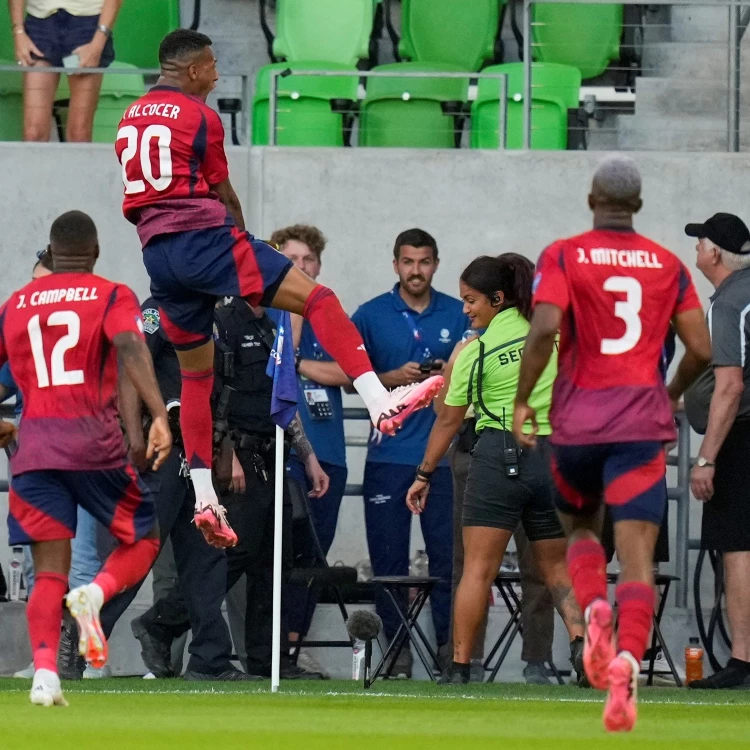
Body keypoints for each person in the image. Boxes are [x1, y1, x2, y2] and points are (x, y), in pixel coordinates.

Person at [115, 29, 442, 550]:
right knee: (317, 298)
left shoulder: (129, 116)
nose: (219, 73)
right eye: (214, 64)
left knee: (197, 378)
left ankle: (204, 497)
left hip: (158, 255)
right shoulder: (200, 116)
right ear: (195, 69)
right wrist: (245, 246)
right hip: (204, 239)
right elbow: (221, 192)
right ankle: (382, 402)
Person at [512, 156, 711, 732]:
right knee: (640, 559)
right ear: (639, 206)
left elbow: (546, 329)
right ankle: (626, 659)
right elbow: (700, 348)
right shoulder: (668, 264)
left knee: (578, 530)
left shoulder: (565, 254)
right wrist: (667, 394)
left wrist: (526, 400)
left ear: (591, 198)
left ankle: (595, 609)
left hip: (577, 425)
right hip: (641, 429)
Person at [0, 210, 172, 707]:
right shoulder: (112, 294)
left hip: (33, 453)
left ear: (50, 257)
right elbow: (129, 345)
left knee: (49, 570)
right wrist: (158, 414)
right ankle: (96, 594)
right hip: (93, 446)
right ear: (94, 253)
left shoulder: (16, 305)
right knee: (145, 537)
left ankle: (45, 675)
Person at [406, 254, 585, 686]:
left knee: (477, 570)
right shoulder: (557, 338)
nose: (465, 309)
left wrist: (424, 473)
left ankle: (461, 666)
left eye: (471, 300)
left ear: (497, 299)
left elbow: (448, 419)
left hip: (498, 455)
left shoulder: (476, 349)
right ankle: (583, 642)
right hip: (552, 457)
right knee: (558, 568)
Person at [133, 298, 329, 680]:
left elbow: (280, 401)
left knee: (273, 563)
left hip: (272, 458)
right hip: (235, 454)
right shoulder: (221, 321)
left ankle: (268, 661)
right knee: (229, 554)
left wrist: (308, 456)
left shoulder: (271, 328)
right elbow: (217, 396)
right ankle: (161, 622)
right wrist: (228, 453)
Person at [56, 297, 249, 682]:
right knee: (138, 552)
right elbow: (130, 369)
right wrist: (134, 436)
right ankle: (79, 634)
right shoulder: (158, 310)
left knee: (207, 560)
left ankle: (210, 659)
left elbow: (218, 395)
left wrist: (224, 448)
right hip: (160, 452)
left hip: (199, 457)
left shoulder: (216, 319)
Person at [352, 228, 468, 677]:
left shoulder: (460, 314)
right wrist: (391, 376)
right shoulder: (370, 314)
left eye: (423, 262)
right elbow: (351, 376)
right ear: (395, 264)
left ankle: (448, 653)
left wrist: (444, 375)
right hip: (387, 458)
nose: (415, 270)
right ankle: (395, 651)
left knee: (446, 559)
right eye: (407, 262)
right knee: (388, 562)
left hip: (443, 458)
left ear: (436, 264)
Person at [269, 224, 350, 675]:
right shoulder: (271, 313)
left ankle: (295, 649)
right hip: (287, 455)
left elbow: (348, 372)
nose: (302, 268)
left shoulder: (331, 313)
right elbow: (281, 359)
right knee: (286, 552)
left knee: (315, 557)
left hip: (330, 453)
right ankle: (275, 648)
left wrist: (303, 365)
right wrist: (292, 314)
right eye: (292, 261)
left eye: (309, 261)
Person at [682, 213, 750, 690]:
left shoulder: (729, 302)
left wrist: (706, 458)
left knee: (738, 547)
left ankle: (742, 659)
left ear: (714, 254)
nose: (697, 251)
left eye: (700, 243)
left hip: (742, 437)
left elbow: (729, 387)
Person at [11, 0, 120, 142]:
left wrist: (99, 40)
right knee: (33, 133)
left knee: (79, 134)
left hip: (88, 22)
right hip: (39, 22)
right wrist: (18, 32)